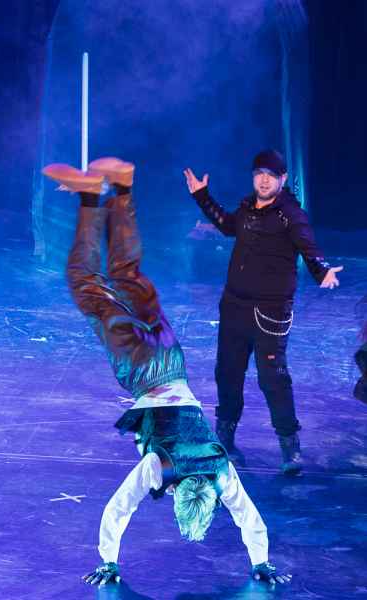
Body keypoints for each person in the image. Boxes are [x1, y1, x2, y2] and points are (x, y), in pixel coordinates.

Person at [42, 158, 290, 587]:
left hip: (172, 357)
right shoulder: (160, 468)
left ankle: (122, 188)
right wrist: (109, 563)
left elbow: (249, 517)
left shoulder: (220, 470)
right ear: (176, 500)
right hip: (141, 367)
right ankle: (89, 197)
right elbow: (119, 507)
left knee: (127, 276)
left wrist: (262, 563)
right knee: (86, 283)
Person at [184, 150, 342, 475]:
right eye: (259, 174)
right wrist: (202, 196)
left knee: (273, 379)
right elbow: (227, 226)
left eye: (271, 175)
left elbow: (308, 247)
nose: (264, 180)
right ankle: (225, 441)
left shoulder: (290, 215)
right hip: (234, 307)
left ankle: (289, 447)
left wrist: (322, 269)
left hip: (270, 312)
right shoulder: (246, 209)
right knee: (228, 373)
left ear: (282, 179)